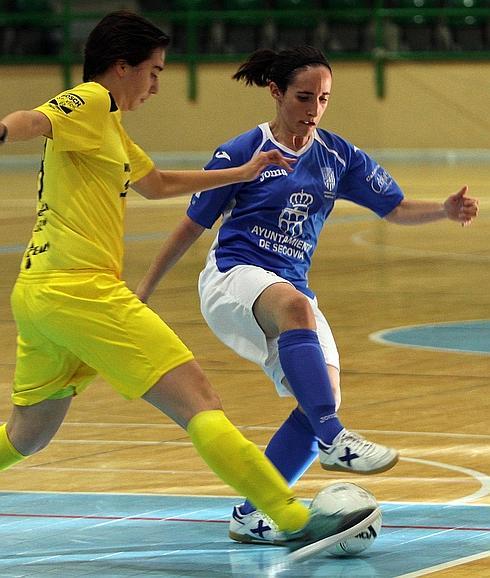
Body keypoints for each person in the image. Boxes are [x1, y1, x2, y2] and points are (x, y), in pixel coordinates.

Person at [0, 13, 379, 557]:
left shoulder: (109, 129)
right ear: (121, 66)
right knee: (199, 400)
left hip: (39, 295)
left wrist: (239, 173)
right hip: (81, 291)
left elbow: (155, 184)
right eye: (152, 71)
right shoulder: (88, 101)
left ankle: (283, 510)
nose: (156, 84)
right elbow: (35, 119)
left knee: (27, 435)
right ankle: (290, 516)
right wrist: (3, 131)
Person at [136, 45, 480, 545]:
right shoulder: (241, 151)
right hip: (235, 276)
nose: (314, 109)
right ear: (276, 92)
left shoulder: (339, 156)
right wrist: (143, 290)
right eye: (304, 97)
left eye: (324, 98)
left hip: (289, 285)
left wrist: (445, 211)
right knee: (301, 326)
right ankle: (332, 437)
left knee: (321, 393)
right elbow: (191, 226)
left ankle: (253, 514)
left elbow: (396, 208)